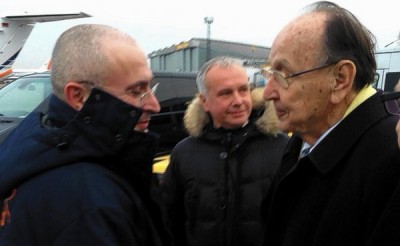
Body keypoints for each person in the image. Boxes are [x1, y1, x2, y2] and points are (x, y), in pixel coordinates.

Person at [0, 24, 169, 245]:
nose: (154, 105)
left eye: (150, 88)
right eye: (136, 91)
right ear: (78, 96)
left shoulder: (30, 147)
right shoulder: (90, 204)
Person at [261, 1, 400, 245]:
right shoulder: (303, 138)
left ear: (340, 79)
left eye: (282, 75)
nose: (267, 93)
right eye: (269, 73)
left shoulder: (391, 159)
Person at [161, 56, 289, 246]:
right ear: (204, 101)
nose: (238, 101)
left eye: (243, 90)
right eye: (226, 93)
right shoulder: (184, 153)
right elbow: (169, 223)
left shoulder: (282, 147)